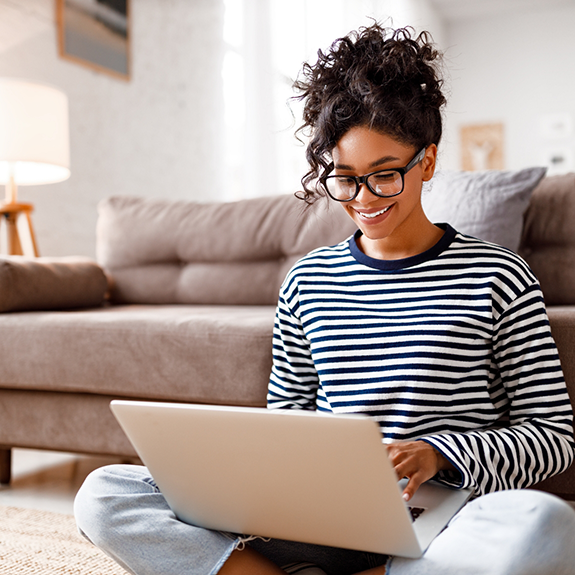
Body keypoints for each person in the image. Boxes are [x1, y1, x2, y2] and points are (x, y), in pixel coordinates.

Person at [74, 24, 575, 575]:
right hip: (320, 518)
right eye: (344, 178)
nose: (364, 199)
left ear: (427, 162)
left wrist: (439, 456)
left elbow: (552, 437)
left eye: (385, 176)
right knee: (104, 493)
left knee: (544, 526)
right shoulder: (307, 281)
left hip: (442, 521)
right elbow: (284, 420)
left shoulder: (499, 275)